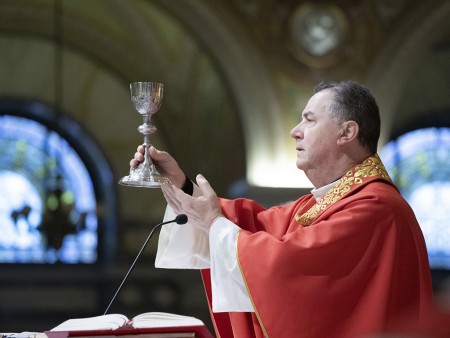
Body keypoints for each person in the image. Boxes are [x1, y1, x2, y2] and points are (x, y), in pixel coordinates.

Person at [130, 81, 435, 338]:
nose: (295, 131)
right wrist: (180, 184)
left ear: (347, 133)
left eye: (309, 119)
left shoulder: (375, 208)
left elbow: (284, 263)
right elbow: (256, 226)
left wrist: (212, 222)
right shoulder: (330, 201)